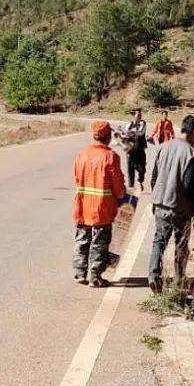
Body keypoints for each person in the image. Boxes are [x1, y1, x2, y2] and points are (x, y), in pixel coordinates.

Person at [148, 114, 194, 292]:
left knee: (159, 241)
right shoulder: (191, 154)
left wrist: (155, 199)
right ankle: (178, 283)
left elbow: (154, 177)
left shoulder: (164, 147)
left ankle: (153, 275)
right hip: (179, 208)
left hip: (160, 205)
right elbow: (189, 186)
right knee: (181, 245)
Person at [73, 120, 128, 287]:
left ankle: (79, 273)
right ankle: (95, 277)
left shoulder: (82, 154)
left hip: (82, 206)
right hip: (101, 208)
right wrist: (123, 198)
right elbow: (118, 186)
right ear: (108, 136)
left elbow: (76, 177)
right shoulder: (111, 156)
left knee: (82, 239)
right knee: (99, 242)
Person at [124, 108, 150, 191]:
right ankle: (131, 187)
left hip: (140, 150)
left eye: (140, 115)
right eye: (138, 115)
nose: (139, 116)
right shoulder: (129, 124)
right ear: (134, 115)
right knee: (130, 169)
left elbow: (141, 132)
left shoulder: (143, 123)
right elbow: (126, 132)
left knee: (142, 169)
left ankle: (140, 181)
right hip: (131, 150)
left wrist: (130, 133)